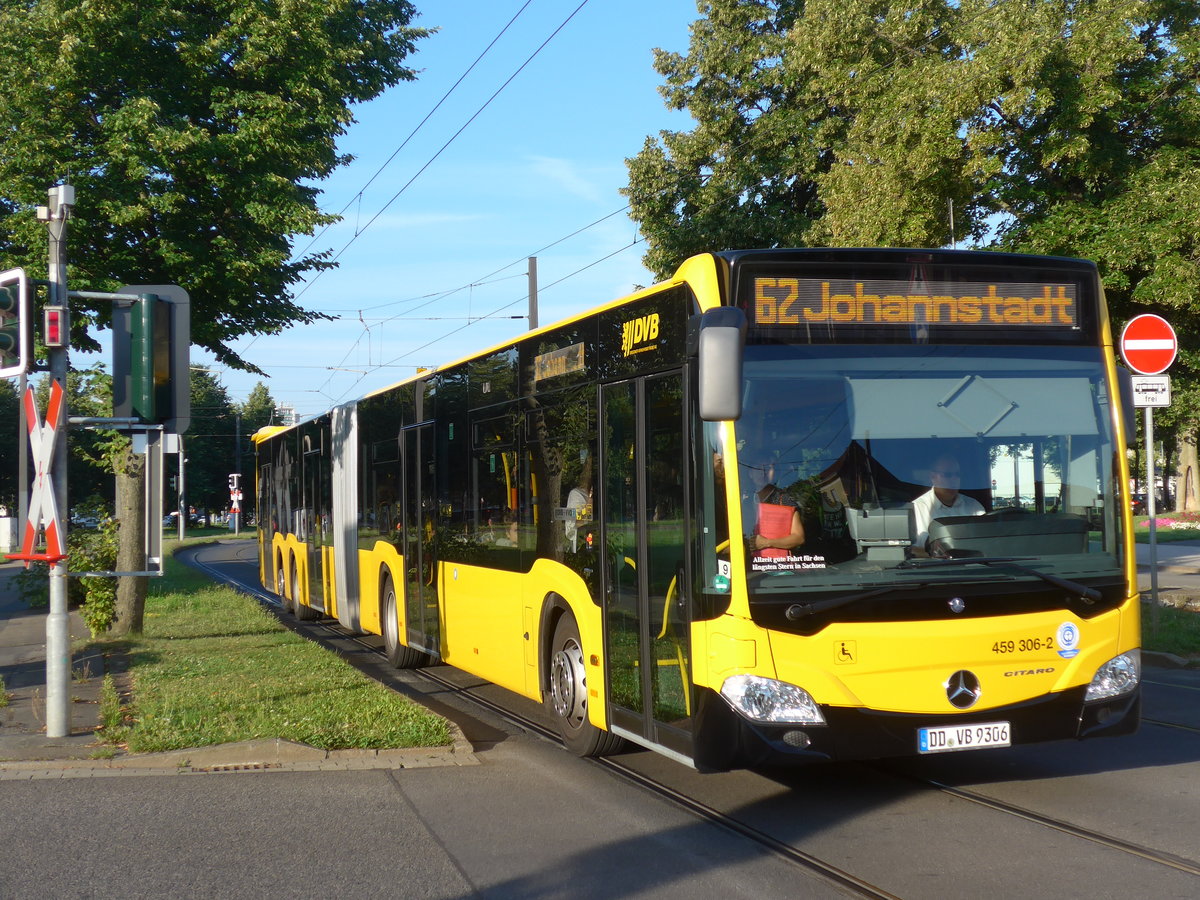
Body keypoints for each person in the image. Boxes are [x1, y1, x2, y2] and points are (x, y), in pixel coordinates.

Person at [911, 454, 984, 555]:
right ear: (933, 476)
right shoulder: (917, 508)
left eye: (958, 474)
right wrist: (934, 556)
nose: (954, 479)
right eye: (948, 475)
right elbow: (907, 549)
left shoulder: (974, 507)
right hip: (934, 564)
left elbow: (986, 541)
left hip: (974, 562)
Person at [745, 456, 805, 558]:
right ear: (750, 473)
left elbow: (799, 537)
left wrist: (767, 542)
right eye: (758, 468)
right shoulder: (745, 502)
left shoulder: (784, 500)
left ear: (775, 473)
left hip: (777, 563)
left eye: (768, 468)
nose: (763, 472)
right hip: (749, 564)